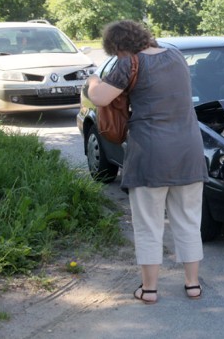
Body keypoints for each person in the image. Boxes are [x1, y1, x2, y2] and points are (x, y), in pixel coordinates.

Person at [86, 20, 209, 303]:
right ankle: (193, 285)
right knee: (189, 220)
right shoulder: (176, 55)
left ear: (119, 47)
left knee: (148, 223)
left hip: (150, 153)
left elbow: (100, 96)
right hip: (188, 150)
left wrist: (92, 81)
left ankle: (150, 289)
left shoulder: (129, 63)